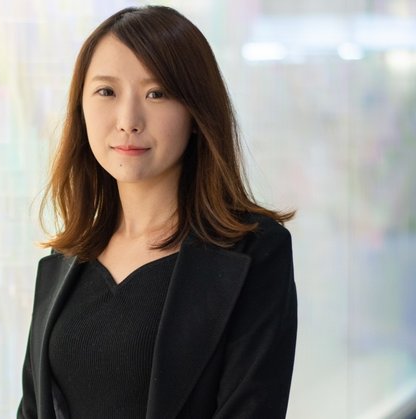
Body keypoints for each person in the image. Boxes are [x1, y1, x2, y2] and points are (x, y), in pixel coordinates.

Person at [18, 5, 297, 419]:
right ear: (80, 108)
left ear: (197, 113)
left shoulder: (255, 252)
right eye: (106, 92)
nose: (128, 121)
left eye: (157, 93)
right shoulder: (65, 260)